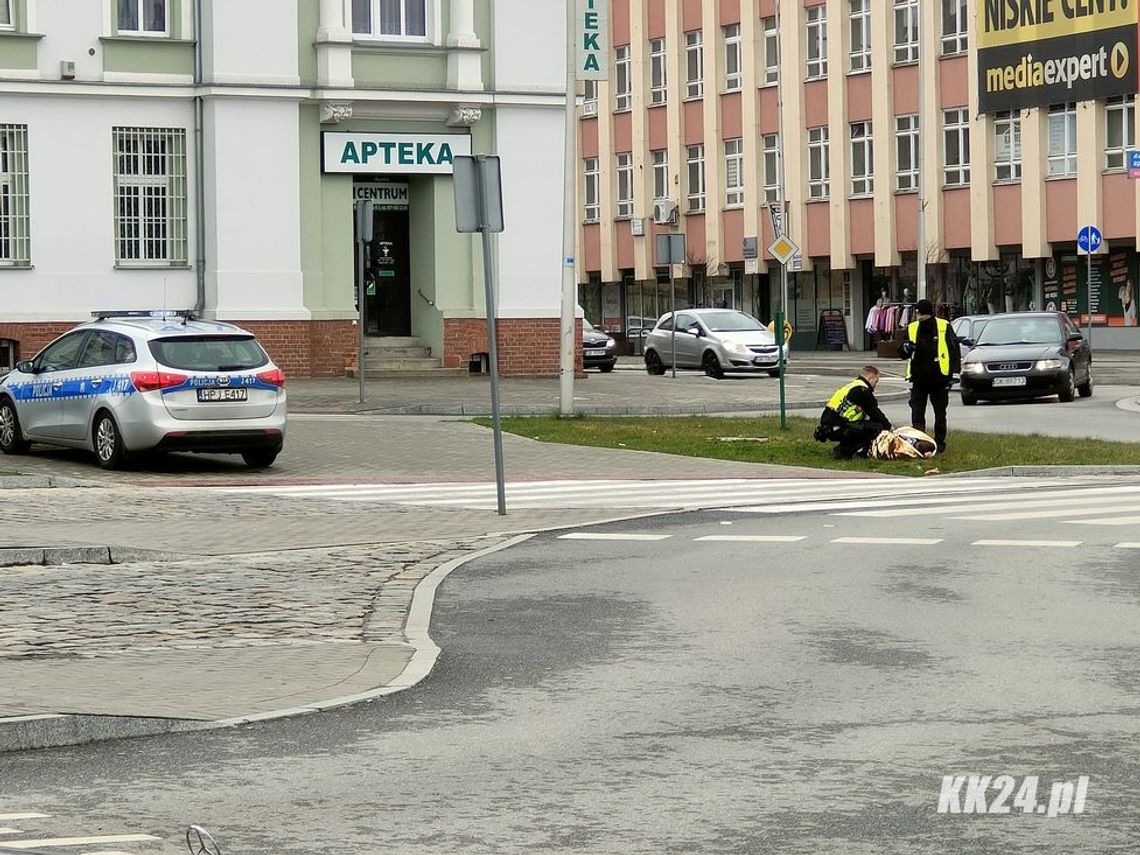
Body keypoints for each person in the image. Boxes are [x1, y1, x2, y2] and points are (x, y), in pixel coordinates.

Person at [898, 298, 959, 454]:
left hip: (939, 377)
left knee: (939, 412)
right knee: (918, 412)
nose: (919, 317)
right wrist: (906, 348)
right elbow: (902, 352)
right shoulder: (912, 328)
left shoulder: (943, 326)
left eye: (919, 314)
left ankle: (939, 443)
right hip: (919, 377)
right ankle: (920, 442)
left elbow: (953, 351)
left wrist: (953, 373)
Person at [816, 365, 892, 459]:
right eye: (876, 381)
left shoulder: (852, 386)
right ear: (870, 378)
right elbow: (875, 413)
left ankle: (845, 448)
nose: (875, 385)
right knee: (876, 427)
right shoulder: (862, 391)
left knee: (864, 424)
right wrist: (889, 428)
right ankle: (846, 451)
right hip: (838, 427)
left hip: (829, 427)